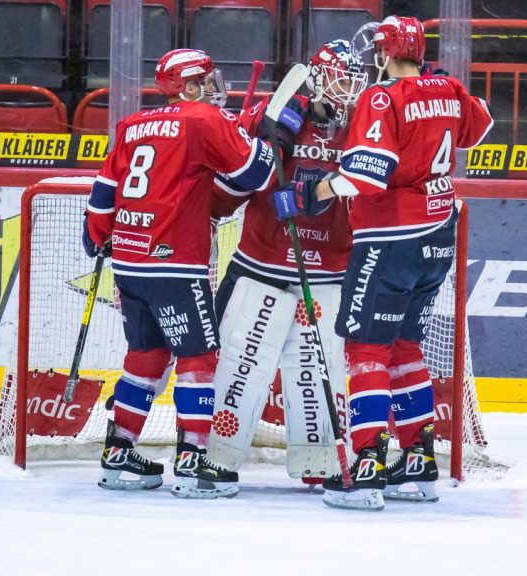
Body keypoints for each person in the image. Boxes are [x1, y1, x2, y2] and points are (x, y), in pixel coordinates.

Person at [270, 15, 493, 511]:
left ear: (385, 53)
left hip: (390, 239)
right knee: (406, 346)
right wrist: (436, 88)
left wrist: (311, 193)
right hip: (438, 236)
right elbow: (482, 125)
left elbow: (368, 175)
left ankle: (367, 463)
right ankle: (418, 458)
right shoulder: (449, 88)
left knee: (367, 350)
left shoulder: (380, 97)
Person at [84, 48, 277, 498]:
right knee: (198, 359)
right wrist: (260, 139)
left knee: (146, 356)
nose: (213, 87)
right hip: (176, 263)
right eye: (206, 80)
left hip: (129, 262)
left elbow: (104, 190)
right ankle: (192, 459)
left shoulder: (132, 124)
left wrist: (96, 234)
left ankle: (118, 450)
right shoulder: (204, 120)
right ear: (188, 85)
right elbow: (254, 175)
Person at [204, 39, 367, 487]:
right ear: (317, 78)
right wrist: (264, 139)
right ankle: (216, 456)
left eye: (354, 81)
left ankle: (322, 461)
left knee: (319, 370)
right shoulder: (277, 113)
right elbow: (240, 170)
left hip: (330, 268)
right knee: (239, 363)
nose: (348, 89)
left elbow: (372, 180)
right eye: (340, 79)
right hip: (263, 259)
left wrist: (315, 194)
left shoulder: (363, 125)